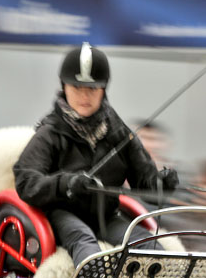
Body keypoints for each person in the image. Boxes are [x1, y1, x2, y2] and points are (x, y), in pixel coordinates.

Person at [13, 42, 178, 265]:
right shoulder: (49, 133)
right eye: (76, 88)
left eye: (92, 89)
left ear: (103, 90)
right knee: (83, 242)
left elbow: (144, 182)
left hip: (107, 217)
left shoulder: (119, 132)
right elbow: (26, 182)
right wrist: (66, 184)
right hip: (60, 214)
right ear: (64, 87)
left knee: (148, 245)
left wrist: (160, 184)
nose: (84, 96)